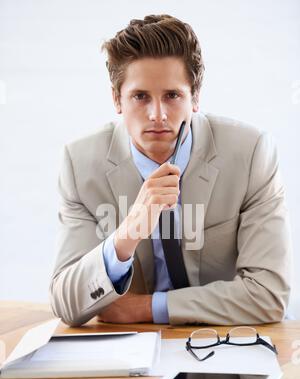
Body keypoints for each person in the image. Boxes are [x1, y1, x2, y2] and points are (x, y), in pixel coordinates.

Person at [49, 14, 291, 327]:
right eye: (140, 97)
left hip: (226, 344)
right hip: (130, 358)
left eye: (172, 95)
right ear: (116, 100)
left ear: (195, 97)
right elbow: (66, 303)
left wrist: (146, 308)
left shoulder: (250, 153)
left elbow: (269, 296)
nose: (157, 115)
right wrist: (127, 235)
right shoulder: (79, 164)